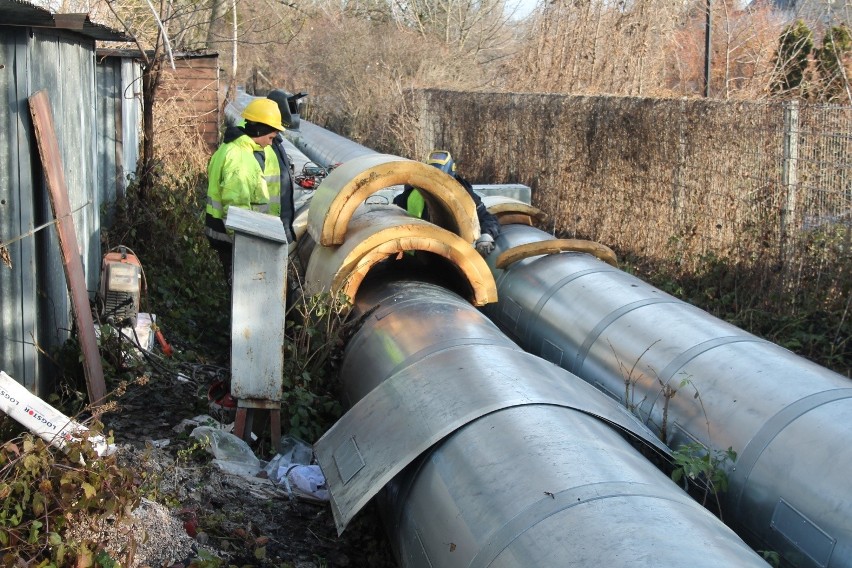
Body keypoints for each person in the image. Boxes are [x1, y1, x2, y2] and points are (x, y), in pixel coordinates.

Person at [205, 98, 286, 284]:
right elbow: (236, 209)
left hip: (225, 236)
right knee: (243, 290)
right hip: (234, 240)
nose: (270, 144)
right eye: (271, 138)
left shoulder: (230, 149)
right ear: (260, 130)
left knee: (237, 290)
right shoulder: (240, 158)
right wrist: (246, 245)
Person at [393, 150, 501, 256]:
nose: (437, 186)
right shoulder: (411, 195)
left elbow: (486, 218)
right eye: (433, 178)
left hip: (453, 259)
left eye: (442, 180)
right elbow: (392, 216)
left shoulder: (464, 196)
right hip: (415, 261)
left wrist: (487, 235)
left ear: (452, 179)